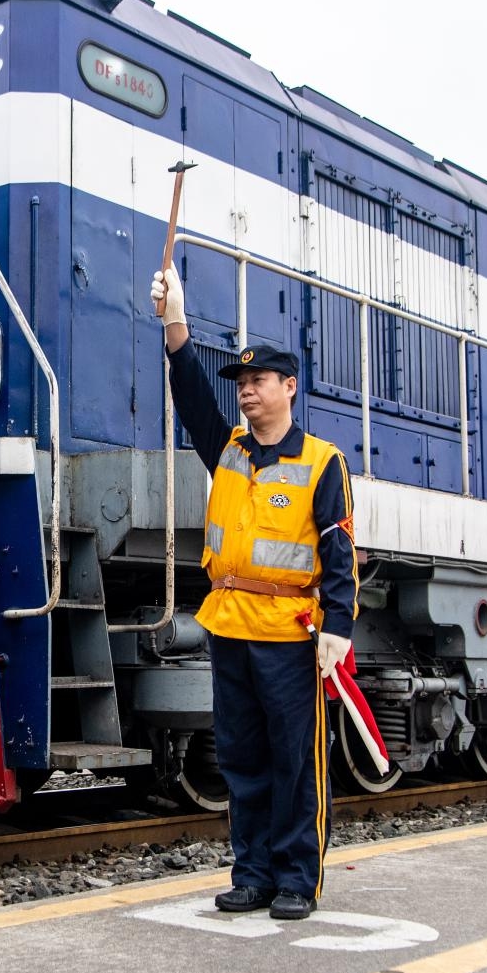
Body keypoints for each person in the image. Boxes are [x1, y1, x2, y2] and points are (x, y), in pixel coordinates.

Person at [151, 266, 359, 920]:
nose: (245, 393)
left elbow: (339, 549)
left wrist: (339, 627)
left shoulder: (322, 463)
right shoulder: (229, 451)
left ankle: (297, 880)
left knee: (294, 760)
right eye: (240, 384)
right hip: (231, 625)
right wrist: (175, 320)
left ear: (288, 387)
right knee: (241, 758)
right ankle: (253, 874)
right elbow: (189, 394)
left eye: (257, 382)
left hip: (292, 633)